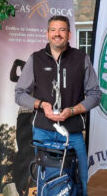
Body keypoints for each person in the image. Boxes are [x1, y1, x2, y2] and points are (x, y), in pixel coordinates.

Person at [15, 15, 101, 196]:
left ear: (69, 34)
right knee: (45, 180)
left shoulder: (81, 58)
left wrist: (72, 110)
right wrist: (41, 105)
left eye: (62, 30)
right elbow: (20, 94)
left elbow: (95, 95)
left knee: (80, 181)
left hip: (73, 133)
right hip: (43, 131)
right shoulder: (35, 59)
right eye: (53, 30)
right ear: (47, 34)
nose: (57, 34)